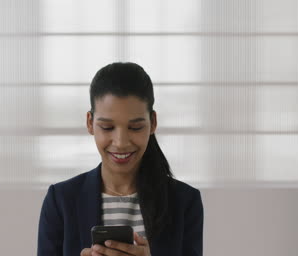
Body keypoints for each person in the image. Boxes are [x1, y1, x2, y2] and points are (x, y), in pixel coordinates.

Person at [37, 62, 203, 256]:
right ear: (90, 123)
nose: (121, 142)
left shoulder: (184, 201)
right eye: (107, 127)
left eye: (135, 127)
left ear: (153, 123)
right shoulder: (61, 200)